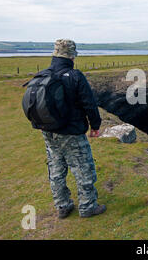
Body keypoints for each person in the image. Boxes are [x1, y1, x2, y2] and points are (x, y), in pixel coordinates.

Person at [41, 39, 106, 219]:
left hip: (48, 131)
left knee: (56, 168)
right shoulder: (75, 76)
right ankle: (88, 207)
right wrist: (95, 126)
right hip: (71, 131)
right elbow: (89, 104)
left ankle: (62, 206)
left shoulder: (44, 75)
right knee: (84, 168)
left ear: (54, 54)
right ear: (71, 56)